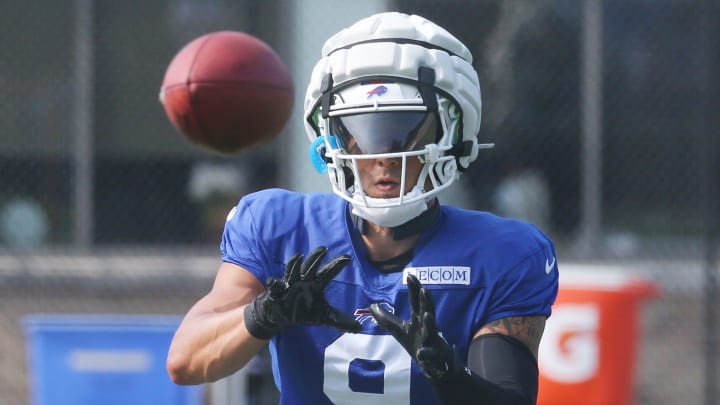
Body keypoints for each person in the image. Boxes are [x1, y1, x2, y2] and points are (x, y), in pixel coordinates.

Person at [167, 11, 559, 405]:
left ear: (451, 136)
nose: (382, 157)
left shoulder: (504, 253)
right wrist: (264, 314)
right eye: (361, 134)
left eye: (405, 132)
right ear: (330, 140)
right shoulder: (278, 226)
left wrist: (450, 375)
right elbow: (185, 361)